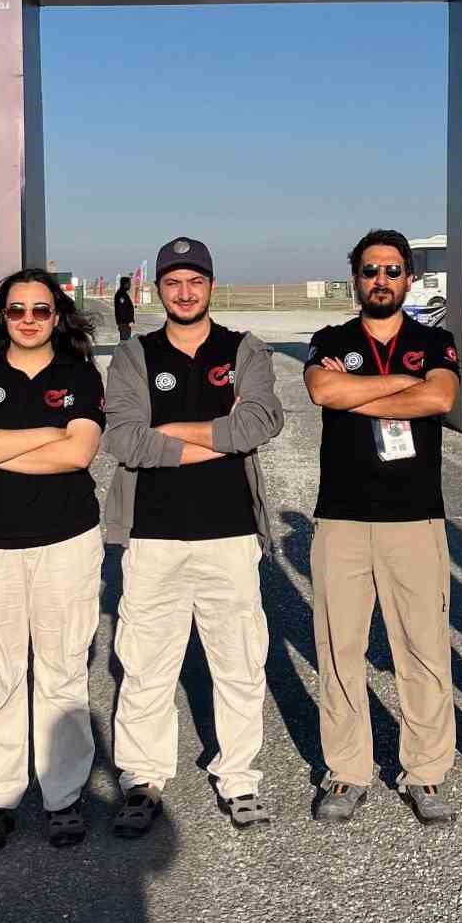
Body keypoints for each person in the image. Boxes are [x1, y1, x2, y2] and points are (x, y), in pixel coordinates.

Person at [103, 237, 285, 836]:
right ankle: (142, 777)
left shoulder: (243, 348)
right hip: (152, 535)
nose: (185, 292)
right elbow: (127, 440)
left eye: (195, 281)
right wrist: (217, 435)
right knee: (146, 664)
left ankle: (239, 778)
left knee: (237, 663)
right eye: (173, 282)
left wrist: (173, 434)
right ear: (159, 289)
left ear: (210, 285)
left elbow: (261, 421)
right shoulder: (134, 355)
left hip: (230, 533)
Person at [304, 229, 461, 825]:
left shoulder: (434, 340)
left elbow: (440, 398)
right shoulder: (331, 339)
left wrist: (356, 396)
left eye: (392, 271)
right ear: (356, 278)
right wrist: (404, 387)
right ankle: (346, 772)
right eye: (370, 271)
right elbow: (323, 388)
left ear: (408, 279)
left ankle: (425, 773)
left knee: (421, 648)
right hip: (341, 517)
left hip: (414, 518)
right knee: (339, 648)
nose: (381, 281)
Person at [0, 269, 107, 852]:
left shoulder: (81, 375)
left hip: (67, 537)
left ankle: (63, 797)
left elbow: (80, 453)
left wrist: (1, 444)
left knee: (63, 669)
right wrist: (48, 433)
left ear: (57, 316)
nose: (29, 321)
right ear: (1, 317)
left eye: (41, 311)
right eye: (17, 311)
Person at [115, 275, 136, 343]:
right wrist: (128, 321)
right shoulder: (121, 295)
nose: (130, 285)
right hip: (124, 323)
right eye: (129, 283)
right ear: (125, 284)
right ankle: (123, 353)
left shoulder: (123, 294)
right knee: (125, 342)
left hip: (124, 323)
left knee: (126, 341)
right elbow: (122, 310)